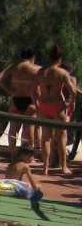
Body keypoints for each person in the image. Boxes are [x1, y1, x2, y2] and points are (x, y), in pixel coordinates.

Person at [32, 43, 77, 175]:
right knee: (61, 137)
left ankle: (45, 167)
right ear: (60, 58)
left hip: (44, 105)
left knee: (45, 137)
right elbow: (72, 91)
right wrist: (72, 103)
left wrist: (36, 104)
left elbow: (33, 90)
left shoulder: (41, 72)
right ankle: (63, 166)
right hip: (58, 105)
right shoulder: (62, 73)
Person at [0, 48, 40, 157]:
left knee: (13, 129)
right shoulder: (36, 69)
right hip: (30, 100)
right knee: (30, 129)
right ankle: (29, 156)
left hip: (16, 99)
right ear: (32, 57)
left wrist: (9, 90)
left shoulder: (14, 67)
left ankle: (13, 155)